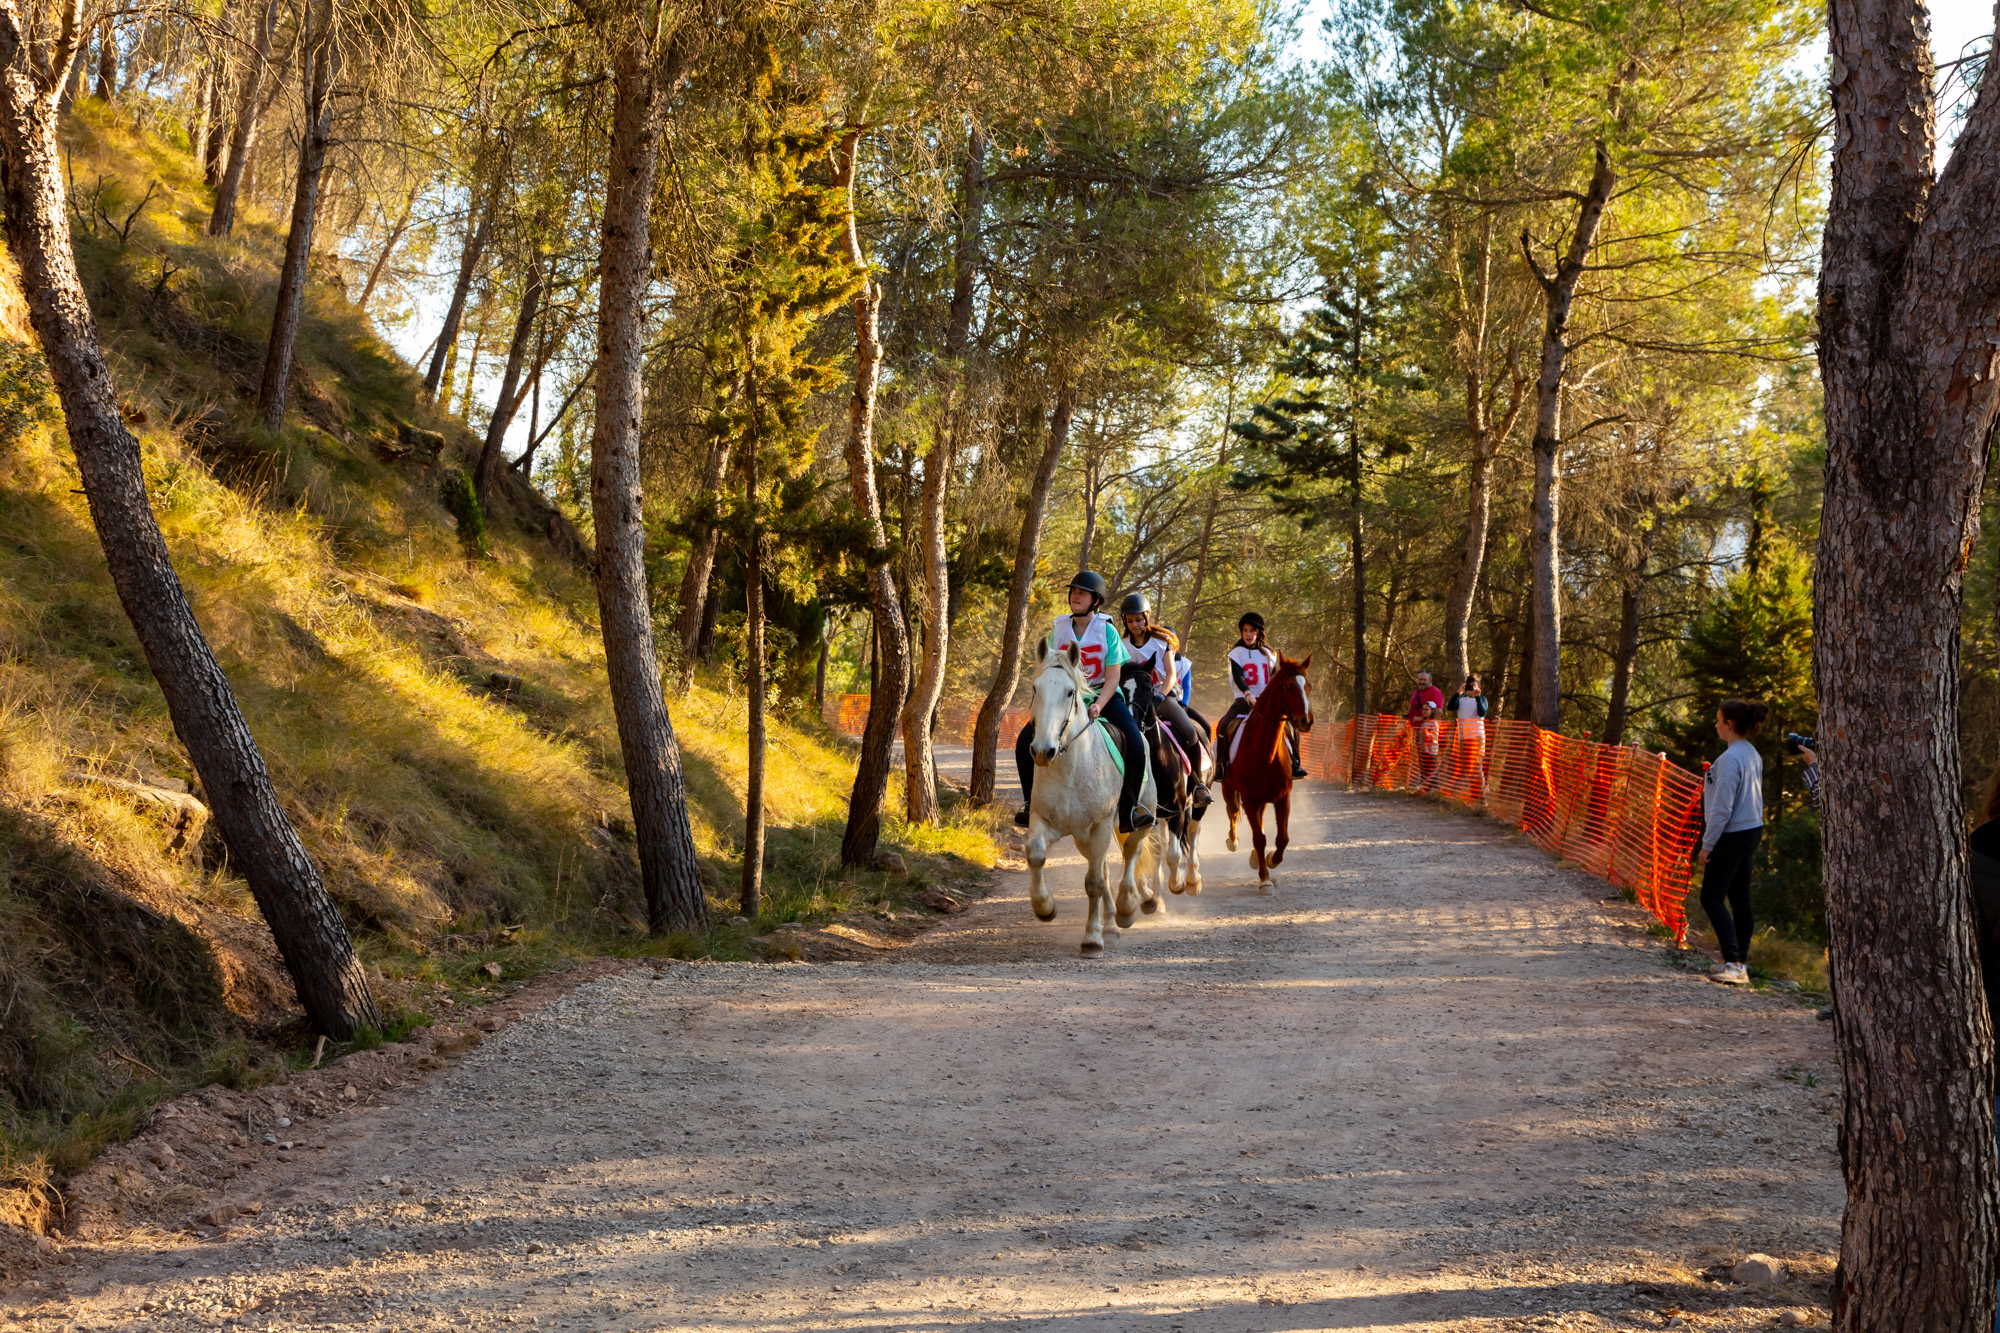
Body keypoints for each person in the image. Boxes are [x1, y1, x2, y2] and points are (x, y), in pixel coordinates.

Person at [1014, 571, 1154, 833]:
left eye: (1082, 592)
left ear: (1096, 600)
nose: (1075, 596)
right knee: (1023, 742)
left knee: (1136, 743)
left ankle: (1130, 809)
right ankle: (1028, 803)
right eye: (1073, 591)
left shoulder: (1108, 631)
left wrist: (1099, 705)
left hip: (1104, 695)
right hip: (1067, 698)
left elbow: (1113, 677)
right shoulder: (1060, 628)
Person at [1117, 593, 1210, 807]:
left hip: (1160, 696)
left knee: (1190, 730)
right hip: (1133, 699)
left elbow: (1170, 675)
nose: (1134, 625)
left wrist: (1159, 697)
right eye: (1130, 621)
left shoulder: (1162, 642)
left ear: (1146, 617)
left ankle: (1197, 784)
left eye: (1138, 619)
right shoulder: (1122, 645)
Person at [1700, 698, 1769, 985]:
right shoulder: (1751, 753)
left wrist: (1707, 845)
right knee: (1740, 898)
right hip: (1752, 829)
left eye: (1718, 720)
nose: (1715, 724)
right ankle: (1740, 960)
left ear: (1729, 724)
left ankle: (1734, 963)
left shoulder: (1728, 760)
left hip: (1732, 834)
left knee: (1711, 897)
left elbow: (1722, 808)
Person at [1216, 612, 1306, 780]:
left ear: (1258, 633)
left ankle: (1295, 762)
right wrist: (1248, 693)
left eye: (1251, 631)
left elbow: (1275, 679)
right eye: (1244, 630)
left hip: (1266, 702)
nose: (1248, 634)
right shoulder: (1236, 653)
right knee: (1224, 725)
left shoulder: (1269, 654)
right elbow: (1238, 676)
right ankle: (1221, 765)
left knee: (1292, 726)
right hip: (1244, 700)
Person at [1406, 669, 1446, 791]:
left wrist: (1423, 716)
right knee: (1422, 760)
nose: (1421, 682)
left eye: (1424, 680)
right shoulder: (1416, 692)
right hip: (1418, 730)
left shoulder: (1435, 692)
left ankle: (1434, 788)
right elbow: (1412, 709)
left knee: (1431, 760)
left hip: (1430, 731)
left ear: (1430, 680)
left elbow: (1439, 710)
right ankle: (1426, 786)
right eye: (1420, 679)